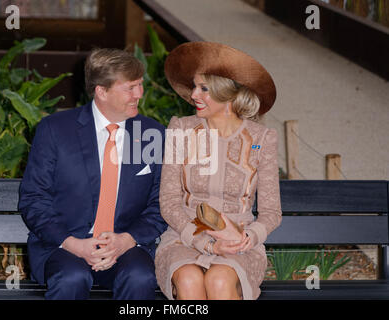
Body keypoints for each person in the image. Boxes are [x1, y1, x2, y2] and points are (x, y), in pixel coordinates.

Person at [19, 48, 167, 300]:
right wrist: (73, 244)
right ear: (102, 91)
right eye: (130, 88)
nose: (139, 94)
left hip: (125, 246)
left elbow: (160, 202)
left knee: (140, 277)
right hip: (64, 246)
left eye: (140, 85)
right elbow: (34, 198)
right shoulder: (55, 130)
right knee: (71, 279)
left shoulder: (151, 133)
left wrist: (126, 240)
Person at [155, 42, 282, 300]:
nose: (193, 95)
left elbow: (271, 212)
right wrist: (206, 243)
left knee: (219, 279)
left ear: (227, 94)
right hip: (184, 237)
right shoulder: (180, 129)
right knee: (189, 279)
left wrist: (248, 237)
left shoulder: (262, 138)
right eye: (193, 87)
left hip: (239, 244)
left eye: (204, 88)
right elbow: (169, 203)